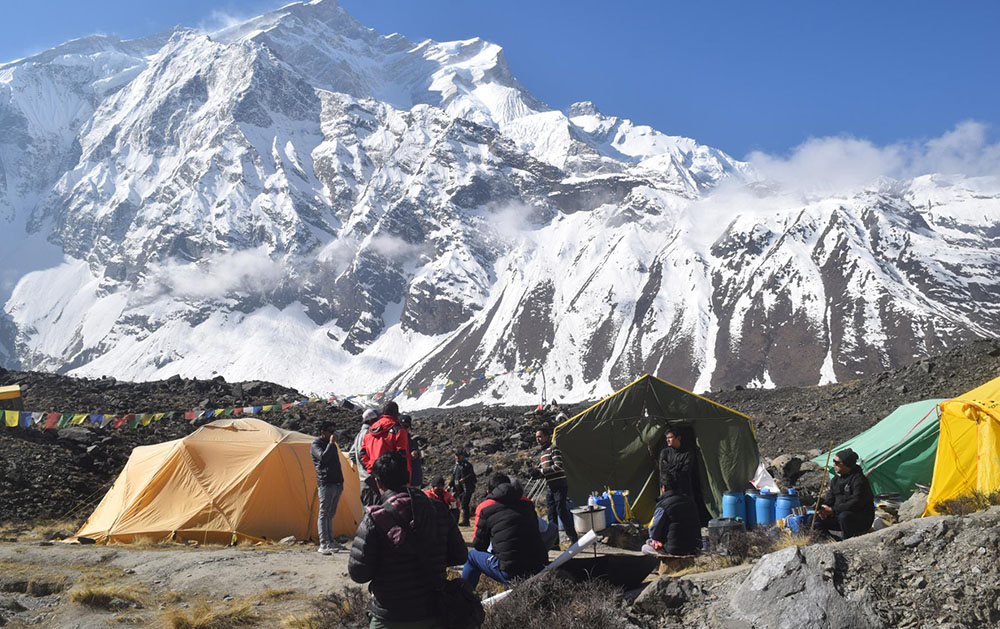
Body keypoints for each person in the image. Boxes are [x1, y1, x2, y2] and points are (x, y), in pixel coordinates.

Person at [349, 452, 467, 628]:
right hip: (433, 611)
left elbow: (358, 573)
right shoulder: (438, 510)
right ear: (409, 477)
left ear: (378, 482)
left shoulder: (374, 519)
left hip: (390, 615)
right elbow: (459, 555)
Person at [461, 473, 547, 589]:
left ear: (490, 491)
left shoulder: (486, 509)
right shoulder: (527, 505)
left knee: (471, 556)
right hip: (539, 567)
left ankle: (463, 595)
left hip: (511, 573)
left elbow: (479, 545)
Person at [816, 448, 875, 540]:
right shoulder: (836, 480)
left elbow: (856, 502)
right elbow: (831, 497)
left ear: (847, 465)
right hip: (838, 515)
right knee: (814, 519)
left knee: (845, 517)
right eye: (833, 461)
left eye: (837, 462)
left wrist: (833, 510)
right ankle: (831, 541)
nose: (834, 464)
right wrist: (823, 508)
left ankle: (848, 542)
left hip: (860, 519)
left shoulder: (859, 480)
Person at [532, 427, 578, 546]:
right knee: (551, 514)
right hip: (550, 487)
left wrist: (542, 471)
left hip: (560, 486)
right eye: (537, 437)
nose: (538, 439)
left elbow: (558, 466)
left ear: (547, 436)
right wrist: (538, 475)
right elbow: (548, 472)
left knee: (561, 511)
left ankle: (574, 540)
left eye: (540, 436)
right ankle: (554, 543)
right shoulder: (543, 453)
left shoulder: (554, 449)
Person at [658, 427, 710, 526]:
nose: (668, 440)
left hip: (683, 488)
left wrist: (670, 468)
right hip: (668, 488)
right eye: (666, 438)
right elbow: (662, 470)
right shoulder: (665, 452)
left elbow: (685, 471)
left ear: (678, 438)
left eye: (670, 437)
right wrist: (675, 468)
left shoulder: (687, 452)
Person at [642, 477, 702, 556]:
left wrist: (653, 540)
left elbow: (654, 530)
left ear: (663, 488)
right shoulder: (690, 501)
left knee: (645, 547)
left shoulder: (663, 505)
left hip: (674, 550)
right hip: (695, 548)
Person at [311, 422, 345, 554]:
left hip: (337, 482)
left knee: (330, 514)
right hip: (326, 482)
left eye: (333, 430)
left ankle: (331, 541)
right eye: (330, 431)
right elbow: (323, 458)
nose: (332, 433)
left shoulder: (332, 445)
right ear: (322, 432)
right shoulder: (316, 445)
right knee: (324, 513)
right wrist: (331, 444)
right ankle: (324, 543)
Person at [361, 401, 412, 483]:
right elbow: (402, 456)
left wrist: (371, 469)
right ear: (396, 414)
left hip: (375, 477)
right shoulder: (399, 430)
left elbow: (363, 454)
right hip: (394, 479)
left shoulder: (369, 432)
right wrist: (405, 479)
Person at [350, 409, 380, 507]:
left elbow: (352, 454)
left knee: (367, 509)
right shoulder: (369, 434)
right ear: (371, 420)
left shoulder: (359, 435)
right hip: (371, 478)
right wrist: (370, 470)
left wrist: (361, 469)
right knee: (375, 509)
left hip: (363, 479)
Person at [450, 450, 477, 526]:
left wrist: (465, 479)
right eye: (456, 456)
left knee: (464, 504)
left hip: (466, 488)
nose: (457, 457)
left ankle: (465, 521)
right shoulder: (456, 465)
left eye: (459, 455)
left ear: (462, 456)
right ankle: (457, 520)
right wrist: (450, 485)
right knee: (455, 503)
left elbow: (472, 475)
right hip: (458, 488)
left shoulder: (467, 465)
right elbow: (453, 476)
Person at [399, 414, 424, 488]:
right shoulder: (396, 440)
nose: (404, 429)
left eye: (405, 426)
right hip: (403, 481)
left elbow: (421, 460)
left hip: (414, 479)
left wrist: (418, 454)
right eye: (401, 426)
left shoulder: (412, 442)